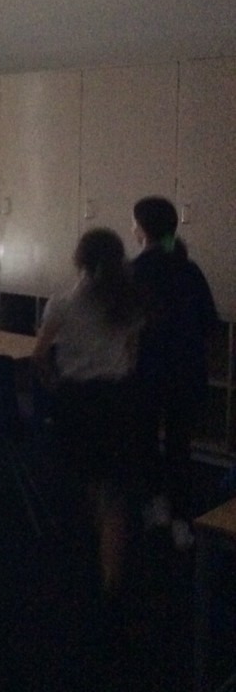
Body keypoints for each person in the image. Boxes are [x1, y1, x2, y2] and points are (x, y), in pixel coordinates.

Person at [32, 228, 143, 599]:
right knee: (113, 487)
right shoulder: (128, 303)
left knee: (77, 477)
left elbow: (40, 353)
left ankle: (76, 566)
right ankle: (112, 576)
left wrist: (53, 384)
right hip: (117, 398)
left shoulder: (62, 303)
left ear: (79, 259)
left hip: (77, 399)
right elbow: (131, 356)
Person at [131, 196, 218, 551]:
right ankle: (183, 520)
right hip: (187, 371)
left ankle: (157, 507)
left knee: (145, 440)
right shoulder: (189, 269)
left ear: (142, 229)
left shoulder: (134, 271)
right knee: (180, 447)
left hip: (147, 372)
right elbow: (209, 323)